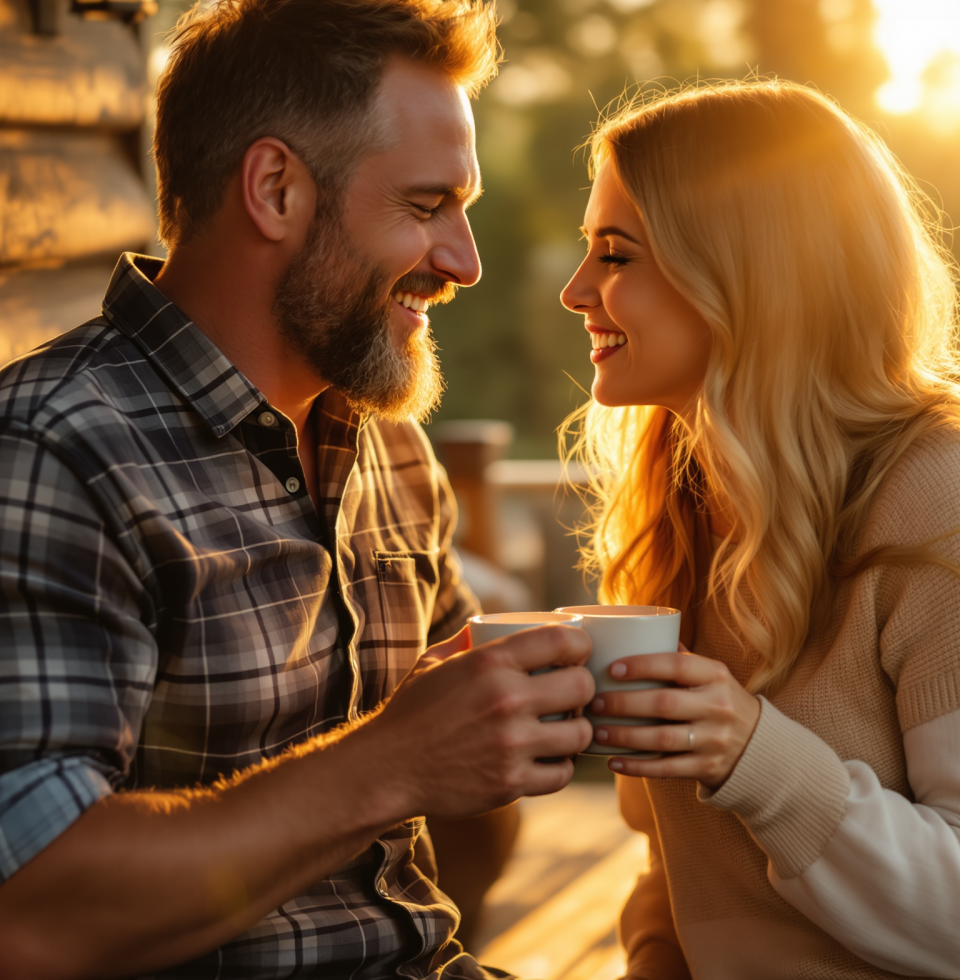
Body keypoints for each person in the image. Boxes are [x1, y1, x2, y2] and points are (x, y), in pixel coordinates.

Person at [0, 1, 597, 976]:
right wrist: (395, 760)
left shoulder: (391, 449)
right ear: (275, 189)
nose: (464, 261)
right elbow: (32, 911)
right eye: (426, 206)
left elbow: (462, 824)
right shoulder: (53, 453)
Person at [559, 80, 960, 979]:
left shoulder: (940, 498)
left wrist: (752, 753)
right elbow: (675, 864)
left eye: (616, 255)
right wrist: (652, 954)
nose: (574, 290)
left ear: (746, 274)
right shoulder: (680, 505)